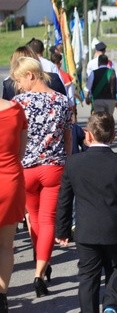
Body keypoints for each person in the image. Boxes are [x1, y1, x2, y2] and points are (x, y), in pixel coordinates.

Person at [55, 112, 117, 313]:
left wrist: (62, 230)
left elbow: (64, 201)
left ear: (88, 135)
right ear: (113, 135)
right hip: (115, 230)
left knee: (87, 276)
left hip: (86, 232)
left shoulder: (74, 163)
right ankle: (111, 305)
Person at [11, 56, 72, 298]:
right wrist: (66, 162)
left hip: (25, 168)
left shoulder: (17, 103)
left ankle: (42, 262)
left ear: (31, 75)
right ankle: (40, 272)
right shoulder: (61, 101)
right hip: (53, 167)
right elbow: (68, 137)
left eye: (19, 80)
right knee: (48, 221)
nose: (18, 85)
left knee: (33, 220)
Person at [0, 96, 27, 311]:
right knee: (6, 245)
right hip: (9, 180)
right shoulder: (15, 110)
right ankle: (2, 296)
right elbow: (21, 152)